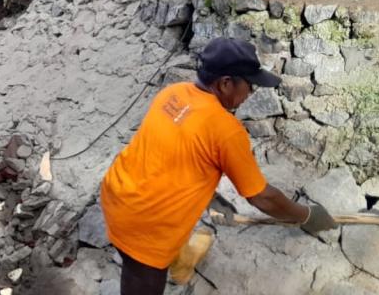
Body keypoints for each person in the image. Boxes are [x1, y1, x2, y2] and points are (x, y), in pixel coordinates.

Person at [101, 37, 338, 293]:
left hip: (118, 192)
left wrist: (210, 197)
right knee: (141, 277)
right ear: (225, 83)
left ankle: (180, 261)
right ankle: (168, 260)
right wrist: (306, 216)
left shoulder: (174, 92)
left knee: (141, 259)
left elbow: (171, 157)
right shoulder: (226, 131)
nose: (250, 93)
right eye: (250, 86)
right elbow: (262, 198)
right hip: (145, 225)